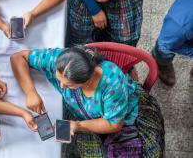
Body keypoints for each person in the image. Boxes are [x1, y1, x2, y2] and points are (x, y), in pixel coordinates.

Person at [11, 46, 164, 157]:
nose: (62, 87)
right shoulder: (61, 60)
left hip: (123, 119)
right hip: (84, 115)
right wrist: (30, 92)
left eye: (68, 85)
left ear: (87, 80)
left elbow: (114, 124)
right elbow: (18, 57)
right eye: (59, 80)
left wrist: (77, 125)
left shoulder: (112, 83)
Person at [151, 0, 193, 86]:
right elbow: (166, 45)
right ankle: (161, 61)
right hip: (179, 28)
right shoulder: (179, 25)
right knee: (164, 48)